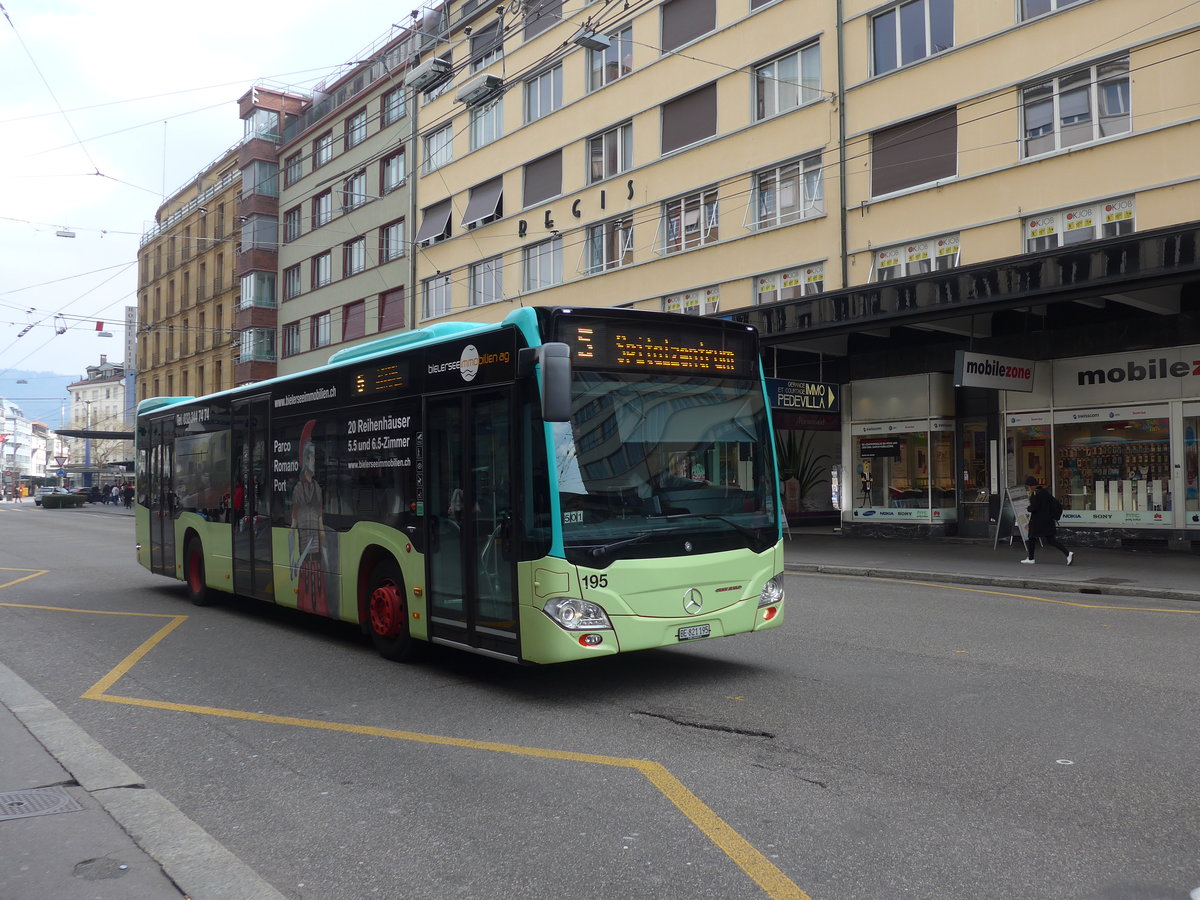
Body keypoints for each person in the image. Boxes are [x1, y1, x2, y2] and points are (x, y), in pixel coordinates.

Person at [1021, 475, 1074, 566]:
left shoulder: (1035, 494)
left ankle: (1031, 558)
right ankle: (1067, 553)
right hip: (1048, 520)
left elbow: (1034, 508)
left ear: (1032, 486)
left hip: (1038, 521)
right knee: (1051, 540)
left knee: (1031, 537)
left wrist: (1028, 508)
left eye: (1028, 487)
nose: (1028, 488)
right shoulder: (1044, 492)